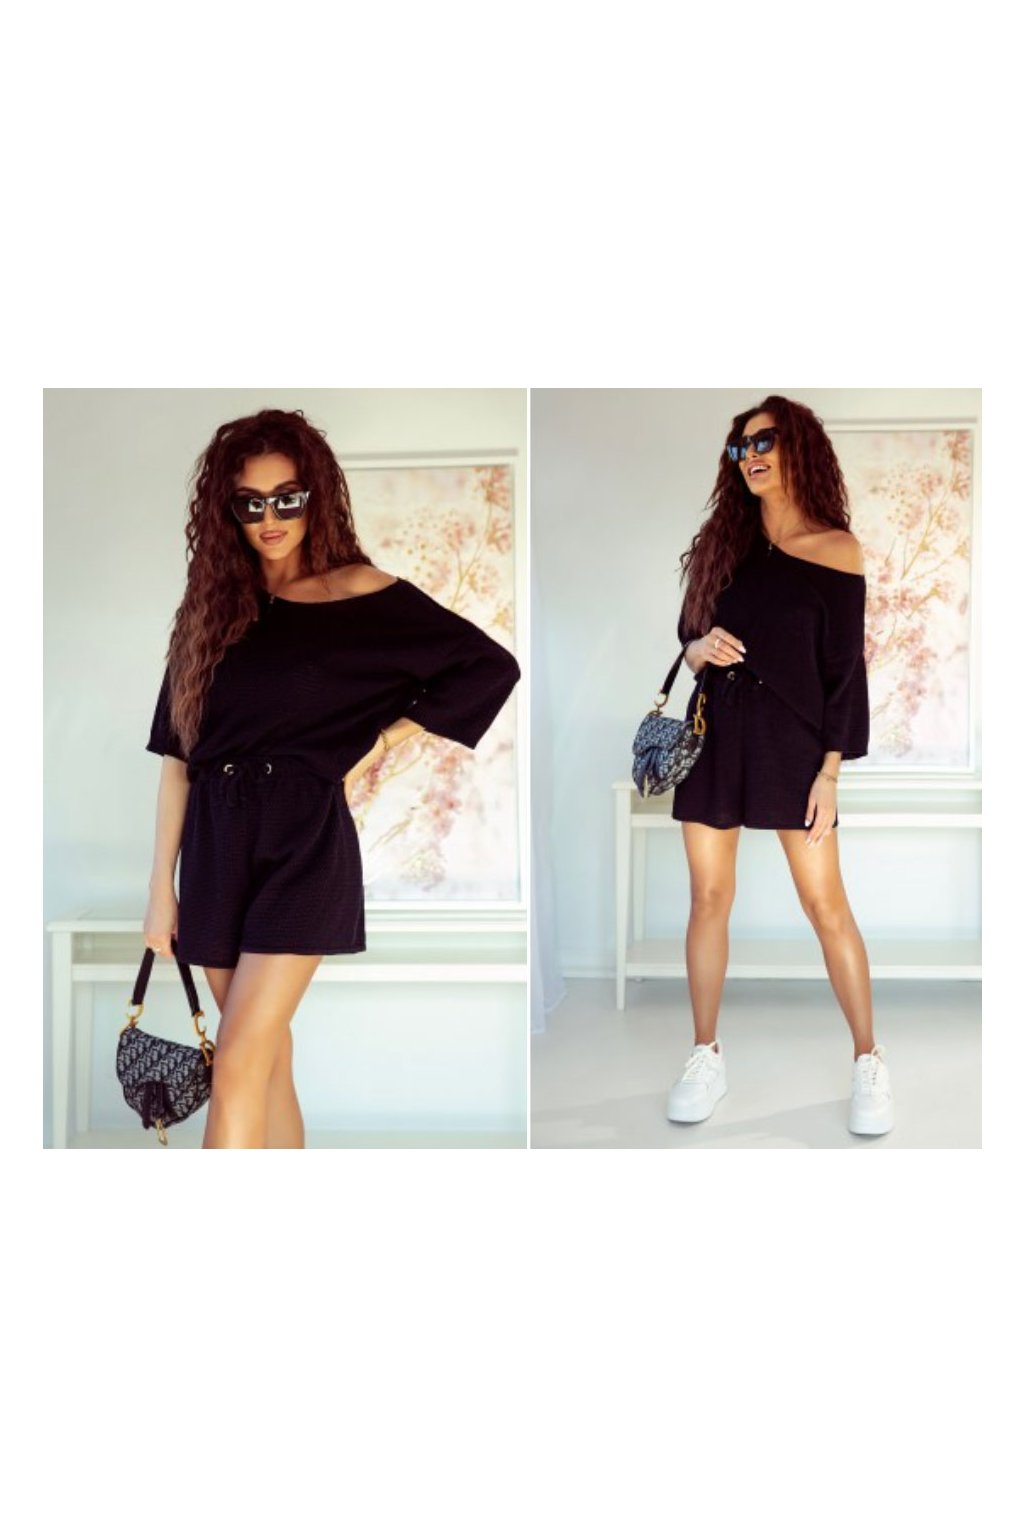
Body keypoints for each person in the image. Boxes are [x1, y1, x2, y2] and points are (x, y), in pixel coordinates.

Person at [142, 407, 521, 1150]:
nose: (270, 519)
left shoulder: (360, 593)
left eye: (287, 498)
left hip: (303, 842)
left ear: (315, 495)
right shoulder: (208, 614)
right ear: (226, 510)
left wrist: (378, 743)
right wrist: (162, 887)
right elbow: (178, 762)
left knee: (239, 1060)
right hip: (215, 845)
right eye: (250, 503)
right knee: (264, 1060)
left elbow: (489, 667)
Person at [665, 394, 893, 1136]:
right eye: (740, 448)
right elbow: (688, 637)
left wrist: (831, 772)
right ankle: (706, 1053)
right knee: (708, 898)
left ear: (799, 448)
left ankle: (868, 1059)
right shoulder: (723, 543)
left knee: (826, 905)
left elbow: (844, 673)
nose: (750, 457)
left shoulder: (836, 549)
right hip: (716, 732)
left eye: (764, 442)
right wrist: (696, 649)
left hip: (795, 746)